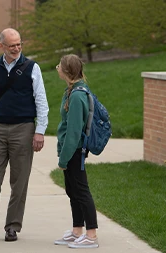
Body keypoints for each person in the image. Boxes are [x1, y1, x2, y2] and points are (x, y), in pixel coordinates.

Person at [0, 28, 49, 242]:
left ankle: (12, 226)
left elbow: (41, 101)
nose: (16, 48)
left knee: (19, 180)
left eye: (19, 44)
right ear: (1, 46)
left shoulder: (32, 68)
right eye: (12, 45)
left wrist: (40, 131)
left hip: (23, 129)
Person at [54, 54, 98, 249]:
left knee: (81, 191)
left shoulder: (78, 95)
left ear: (66, 71)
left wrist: (63, 159)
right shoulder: (72, 90)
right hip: (71, 150)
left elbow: (73, 132)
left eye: (59, 65)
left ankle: (91, 235)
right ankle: (77, 230)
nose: (57, 68)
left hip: (75, 151)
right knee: (73, 191)